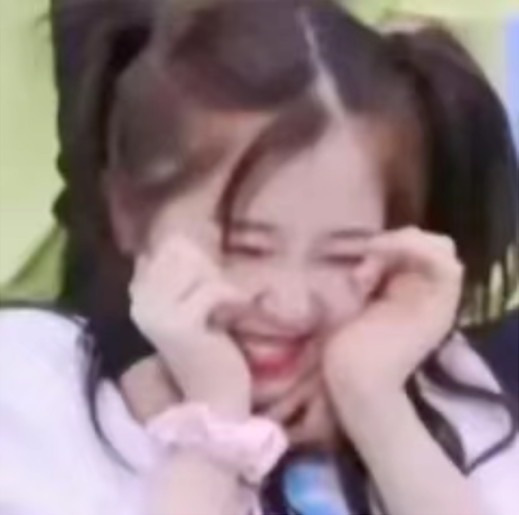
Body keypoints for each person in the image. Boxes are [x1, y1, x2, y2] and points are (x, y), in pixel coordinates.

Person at [1, 0, 518, 514]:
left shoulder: (436, 391)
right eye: (245, 247)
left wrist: (376, 410)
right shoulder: (31, 391)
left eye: (345, 255)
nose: (291, 305)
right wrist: (215, 423)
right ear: (128, 211)